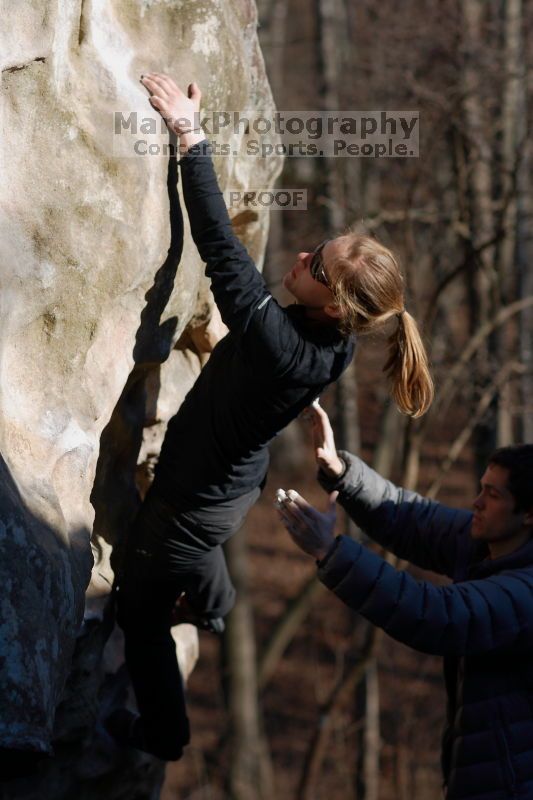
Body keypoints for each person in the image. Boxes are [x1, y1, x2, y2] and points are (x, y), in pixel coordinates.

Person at [108, 73, 434, 761]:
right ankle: (215, 605)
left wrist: (187, 132)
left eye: (314, 264)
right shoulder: (335, 344)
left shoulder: (278, 341)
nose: (298, 256)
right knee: (196, 558)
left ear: (334, 306)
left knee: (137, 618)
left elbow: (221, 249)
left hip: (189, 504)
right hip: (228, 491)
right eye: (314, 248)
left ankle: (164, 735)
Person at [278, 401, 533, 800]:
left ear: (529, 514)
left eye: (493, 494)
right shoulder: (490, 545)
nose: (477, 502)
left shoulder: (526, 593)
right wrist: (341, 472)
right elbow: (414, 519)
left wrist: (332, 552)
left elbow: (439, 616)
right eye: (481, 487)